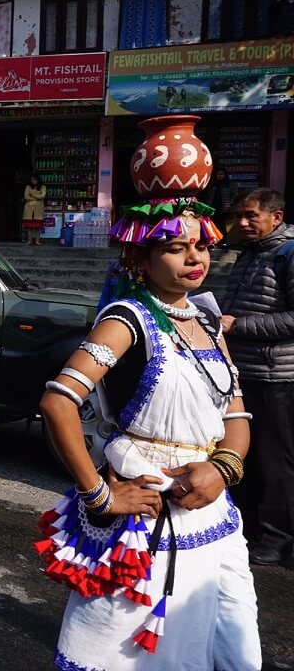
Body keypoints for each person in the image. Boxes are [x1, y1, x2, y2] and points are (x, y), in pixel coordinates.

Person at [36, 136, 260, 670]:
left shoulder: (206, 318)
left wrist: (223, 469)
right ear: (141, 254)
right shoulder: (126, 320)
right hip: (146, 513)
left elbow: (237, 416)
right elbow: (58, 402)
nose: (194, 257)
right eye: (175, 247)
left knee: (232, 650)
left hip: (214, 515)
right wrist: (98, 495)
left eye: (200, 246)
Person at [222, 188, 294, 565]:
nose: (243, 223)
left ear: (276, 217)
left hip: (275, 374)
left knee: (273, 458)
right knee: (244, 454)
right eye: (238, 216)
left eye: (251, 216)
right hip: (244, 370)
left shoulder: (288, 252)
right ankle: (250, 527)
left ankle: (277, 538)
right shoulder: (250, 253)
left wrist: (240, 325)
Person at [200, 168, 236, 236]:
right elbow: (207, 195)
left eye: (221, 174)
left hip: (224, 208)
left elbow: (234, 195)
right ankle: (214, 241)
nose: (219, 176)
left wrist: (231, 204)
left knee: (222, 225)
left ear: (225, 175)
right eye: (218, 174)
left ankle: (223, 242)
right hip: (212, 207)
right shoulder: (212, 184)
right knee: (213, 224)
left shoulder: (230, 184)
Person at [23, 174, 47, 245]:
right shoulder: (28, 187)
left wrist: (32, 195)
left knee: (38, 226)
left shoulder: (43, 187)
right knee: (29, 226)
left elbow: (43, 196)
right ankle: (29, 241)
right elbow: (26, 197)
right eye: (32, 179)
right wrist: (37, 198)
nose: (33, 181)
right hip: (29, 209)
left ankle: (37, 241)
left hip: (38, 209)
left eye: (34, 179)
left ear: (38, 180)